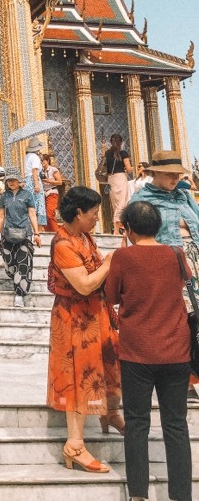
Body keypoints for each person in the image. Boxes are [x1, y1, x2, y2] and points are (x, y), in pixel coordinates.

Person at [105, 200, 193, 501]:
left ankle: (139, 494)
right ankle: (181, 495)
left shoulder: (123, 257)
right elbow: (186, 281)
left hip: (137, 352)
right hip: (176, 351)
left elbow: (111, 296)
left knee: (137, 423)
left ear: (127, 228)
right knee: (176, 424)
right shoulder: (176, 253)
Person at [47, 186, 121, 475]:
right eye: (92, 214)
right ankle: (74, 444)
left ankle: (109, 413)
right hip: (74, 318)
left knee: (103, 366)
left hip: (94, 314)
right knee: (79, 375)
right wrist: (110, 262)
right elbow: (84, 284)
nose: (96, 219)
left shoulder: (84, 236)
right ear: (78, 213)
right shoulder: (63, 244)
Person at [130, 149, 199, 286]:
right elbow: (134, 236)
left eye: (177, 174)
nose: (175, 178)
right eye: (170, 173)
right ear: (156, 172)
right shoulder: (142, 198)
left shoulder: (183, 195)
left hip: (195, 260)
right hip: (165, 262)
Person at [0, 167, 41, 307]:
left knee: (23, 263)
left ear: (19, 181)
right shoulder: (4, 197)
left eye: (14, 180)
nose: (11, 183)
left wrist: (36, 233)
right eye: (9, 180)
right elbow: (1, 216)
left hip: (24, 232)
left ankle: (20, 294)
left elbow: (32, 214)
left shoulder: (27, 195)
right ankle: (15, 275)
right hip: (8, 233)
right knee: (9, 262)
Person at [104, 133, 133, 235]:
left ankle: (117, 229)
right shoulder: (123, 153)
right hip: (120, 177)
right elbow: (129, 169)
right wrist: (135, 168)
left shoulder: (107, 153)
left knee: (115, 204)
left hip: (111, 179)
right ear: (121, 142)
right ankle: (118, 229)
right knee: (122, 203)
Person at [23, 137, 46, 229]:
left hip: (27, 180)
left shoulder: (27, 157)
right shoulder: (35, 157)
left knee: (30, 203)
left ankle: (32, 226)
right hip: (33, 180)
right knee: (38, 202)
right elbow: (34, 171)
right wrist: (36, 184)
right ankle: (39, 227)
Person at [41, 152, 62, 232]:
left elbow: (59, 182)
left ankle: (56, 232)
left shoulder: (53, 170)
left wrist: (49, 181)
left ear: (47, 161)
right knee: (44, 215)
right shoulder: (40, 171)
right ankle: (48, 232)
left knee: (50, 214)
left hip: (52, 192)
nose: (41, 162)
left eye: (43, 160)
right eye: (40, 161)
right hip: (43, 194)